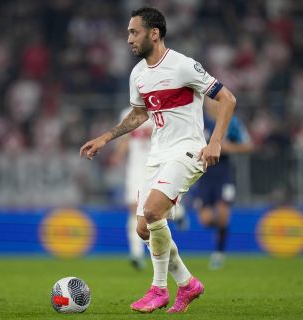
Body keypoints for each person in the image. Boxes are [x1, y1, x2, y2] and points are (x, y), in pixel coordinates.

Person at [80, 7, 236, 313]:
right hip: (158, 153)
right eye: (127, 32)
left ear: (154, 33)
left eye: (133, 32)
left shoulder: (183, 65)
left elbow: (227, 98)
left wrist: (215, 141)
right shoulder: (138, 74)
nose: (128, 39)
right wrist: (105, 138)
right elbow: (139, 114)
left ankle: (159, 289)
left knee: (153, 212)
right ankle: (188, 284)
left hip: (188, 149)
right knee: (143, 228)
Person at [193, 99, 253, 269]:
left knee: (222, 213)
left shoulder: (231, 122)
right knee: (205, 220)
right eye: (209, 101)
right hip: (202, 175)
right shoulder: (198, 120)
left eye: (215, 100)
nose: (211, 104)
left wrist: (227, 147)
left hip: (223, 174)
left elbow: (248, 145)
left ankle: (219, 253)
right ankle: (222, 229)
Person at [110, 106, 152, 270]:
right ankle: (136, 253)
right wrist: (118, 155)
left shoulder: (159, 110)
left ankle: (179, 212)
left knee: (156, 209)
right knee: (134, 208)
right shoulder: (126, 112)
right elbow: (125, 139)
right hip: (136, 167)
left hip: (157, 164)